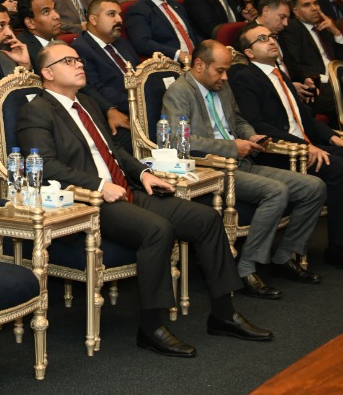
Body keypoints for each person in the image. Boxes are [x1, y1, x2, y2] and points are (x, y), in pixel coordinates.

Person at [17, 41, 270, 357]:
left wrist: (144, 174)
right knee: (157, 229)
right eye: (69, 61)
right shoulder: (36, 110)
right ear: (47, 72)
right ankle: (152, 327)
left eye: (79, 59)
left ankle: (224, 313)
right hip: (88, 202)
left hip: (125, 189)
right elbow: (45, 164)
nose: (79, 64)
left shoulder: (87, 104)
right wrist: (99, 186)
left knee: (206, 219)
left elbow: (115, 151)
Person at [163, 41, 327, 298]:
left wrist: (251, 135)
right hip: (214, 170)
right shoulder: (180, 92)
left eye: (227, 71)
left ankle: (284, 257)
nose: (225, 77)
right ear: (199, 65)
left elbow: (238, 119)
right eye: (220, 71)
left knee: (313, 187)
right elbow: (179, 141)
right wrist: (232, 147)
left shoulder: (221, 86)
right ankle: (245, 269)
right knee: (276, 191)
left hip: (243, 162)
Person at [230, 22, 343, 273]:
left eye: (271, 36)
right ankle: (339, 249)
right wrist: (303, 146)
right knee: (339, 168)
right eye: (262, 39)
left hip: (308, 144)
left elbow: (305, 118)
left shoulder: (279, 73)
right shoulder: (244, 77)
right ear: (249, 52)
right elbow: (258, 125)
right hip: (280, 151)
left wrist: (332, 137)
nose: (272, 40)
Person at [72, 0, 138, 151]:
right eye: (111, 14)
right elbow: (94, 89)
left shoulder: (121, 42)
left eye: (120, 15)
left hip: (140, 103)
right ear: (93, 20)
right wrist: (136, 102)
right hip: (121, 108)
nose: (119, 19)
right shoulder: (81, 48)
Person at [278, 0, 343, 121]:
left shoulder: (325, 27)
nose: (314, 8)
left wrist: (336, 33)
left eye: (316, 3)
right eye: (307, 5)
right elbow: (295, 64)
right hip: (315, 84)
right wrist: (325, 79)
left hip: (337, 80)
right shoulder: (292, 28)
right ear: (295, 11)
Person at [125, 0, 198, 65]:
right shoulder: (138, 10)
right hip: (170, 64)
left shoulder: (176, 5)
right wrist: (177, 54)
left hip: (196, 59)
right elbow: (142, 43)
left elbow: (193, 33)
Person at [16, 0, 63, 72]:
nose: (57, 16)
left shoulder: (60, 43)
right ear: (30, 23)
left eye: (55, 9)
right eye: (46, 12)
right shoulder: (21, 50)